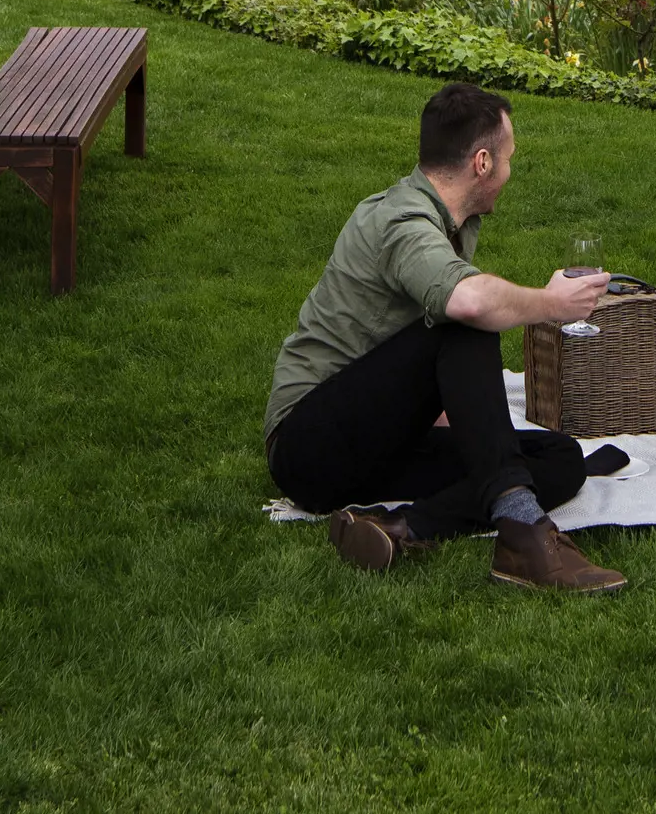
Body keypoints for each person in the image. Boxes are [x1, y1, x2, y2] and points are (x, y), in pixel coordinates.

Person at [266, 81, 629, 592]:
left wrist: (467, 421)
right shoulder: (401, 221)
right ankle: (525, 538)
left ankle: (403, 527)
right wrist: (553, 304)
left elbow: (416, 367)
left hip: (378, 443)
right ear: (482, 162)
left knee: (560, 459)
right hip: (310, 447)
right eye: (507, 159)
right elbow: (469, 304)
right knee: (468, 319)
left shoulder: (450, 222)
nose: (509, 173)